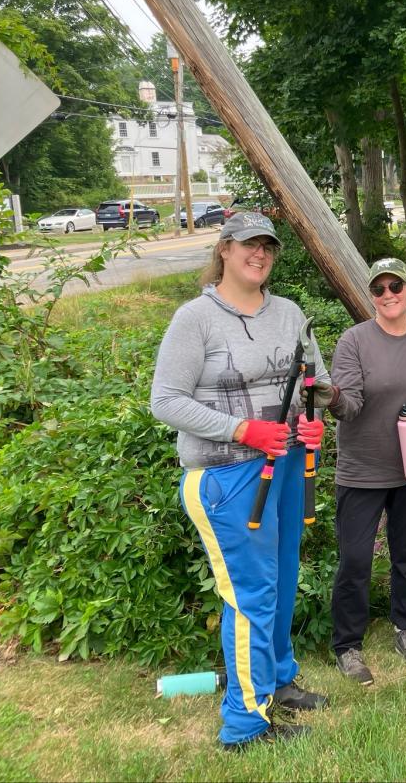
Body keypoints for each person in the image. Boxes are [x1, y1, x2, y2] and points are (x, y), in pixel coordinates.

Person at [150, 212, 330, 751]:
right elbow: (166, 401)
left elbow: (313, 383)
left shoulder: (290, 313)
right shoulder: (196, 319)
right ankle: (245, 723)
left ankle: (276, 680)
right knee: (250, 594)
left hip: (287, 464)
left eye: (268, 246)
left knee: (279, 580)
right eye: (250, 244)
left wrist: (314, 413)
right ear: (225, 250)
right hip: (226, 475)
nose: (260, 254)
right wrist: (242, 429)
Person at [327, 257, 406, 685]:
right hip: (362, 470)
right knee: (356, 559)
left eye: (394, 286)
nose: (387, 296)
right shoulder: (355, 341)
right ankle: (347, 645)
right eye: (378, 289)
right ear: (371, 296)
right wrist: (333, 399)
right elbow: (350, 406)